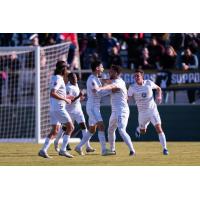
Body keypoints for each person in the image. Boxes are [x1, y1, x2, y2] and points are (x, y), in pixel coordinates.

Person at [97, 65, 136, 156]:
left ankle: (132, 150)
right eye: (109, 70)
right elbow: (107, 81)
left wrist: (101, 88)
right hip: (114, 111)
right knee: (110, 130)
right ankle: (112, 150)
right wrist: (98, 78)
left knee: (121, 130)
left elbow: (111, 85)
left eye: (111, 71)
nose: (109, 72)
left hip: (122, 110)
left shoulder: (119, 82)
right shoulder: (113, 80)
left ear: (117, 73)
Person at [38, 61, 74, 159]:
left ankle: (43, 150)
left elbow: (56, 92)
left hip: (54, 108)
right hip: (59, 108)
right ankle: (63, 150)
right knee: (70, 127)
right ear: (63, 69)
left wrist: (66, 96)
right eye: (66, 68)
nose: (67, 70)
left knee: (55, 131)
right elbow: (52, 93)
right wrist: (65, 99)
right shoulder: (58, 79)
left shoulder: (55, 77)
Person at [128, 69, 169, 155]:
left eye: (138, 76)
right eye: (135, 76)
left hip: (152, 110)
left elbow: (158, 88)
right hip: (142, 113)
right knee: (143, 131)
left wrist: (159, 96)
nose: (136, 77)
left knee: (158, 127)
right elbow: (127, 98)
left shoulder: (149, 83)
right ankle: (139, 129)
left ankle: (165, 149)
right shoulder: (132, 87)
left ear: (142, 76)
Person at [54, 72, 95, 155]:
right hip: (69, 111)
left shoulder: (76, 85)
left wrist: (81, 97)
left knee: (84, 127)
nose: (75, 79)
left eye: (75, 77)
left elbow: (76, 98)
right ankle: (56, 141)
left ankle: (87, 146)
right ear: (69, 79)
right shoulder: (68, 88)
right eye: (73, 78)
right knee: (64, 129)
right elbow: (69, 101)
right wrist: (79, 96)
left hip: (78, 110)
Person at [83, 60, 115, 156]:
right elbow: (98, 93)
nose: (103, 69)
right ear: (97, 68)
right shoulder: (92, 80)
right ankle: (104, 150)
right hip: (92, 107)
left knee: (92, 129)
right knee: (101, 126)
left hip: (96, 107)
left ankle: (79, 146)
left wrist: (109, 87)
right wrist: (111, 90)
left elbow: (100, 90)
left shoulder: (97, 79)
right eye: (101, 67)